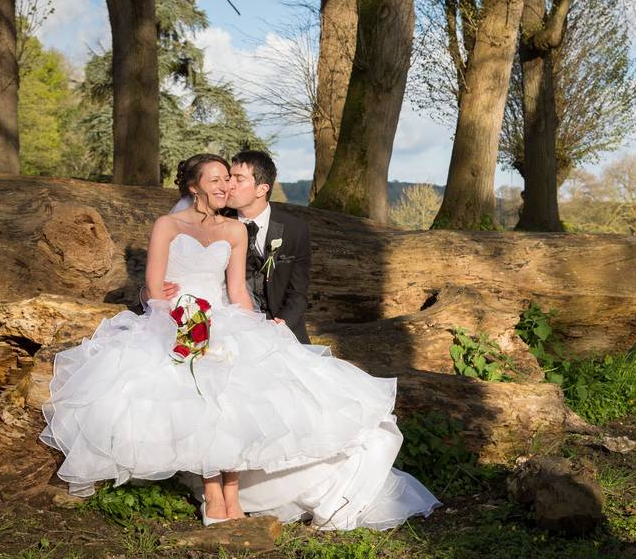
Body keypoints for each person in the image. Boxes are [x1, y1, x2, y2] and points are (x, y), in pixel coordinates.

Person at [39, 153, 439, 529]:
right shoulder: (167, 226)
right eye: (216, 179)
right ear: (194, 187)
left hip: (223, 318)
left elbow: (237, 290)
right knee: (200, 396)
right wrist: (178, 319)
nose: (224, 185)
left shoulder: (234, 230)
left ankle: (233, 495)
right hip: (175, 319)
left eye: (228, 178)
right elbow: (154, 286)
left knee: (235, 399)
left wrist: (257, 327)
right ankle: (213, 495)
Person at [166, 150, 310, 342]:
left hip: (283, 328)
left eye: (238, 179)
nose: (228, 185)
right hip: (230, 324)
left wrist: (281, 325)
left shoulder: (294, 230)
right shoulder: (214, 220)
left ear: (262, 189)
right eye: (228, 177)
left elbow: (298, 293)